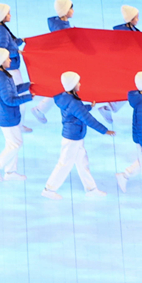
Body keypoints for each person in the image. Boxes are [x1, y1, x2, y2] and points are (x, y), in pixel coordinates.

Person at [41, 71, 115, 199]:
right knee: (64, 164)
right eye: (77, 82)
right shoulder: (74, 102)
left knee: (82, 163)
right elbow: (87, 119)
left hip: (76, 137)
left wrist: (88, 107)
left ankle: (91, 189)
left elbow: (77, 111)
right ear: (72, 85)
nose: (80, 84)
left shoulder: (67, 98)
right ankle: (49, 189)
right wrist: (105, 130)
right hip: (72, 138)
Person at [0, 47, 33, 182]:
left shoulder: (3, 74)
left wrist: (28, 86)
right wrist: (29, 97)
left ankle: (11, 172)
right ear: (1, 61)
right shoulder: (3, 78)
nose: (10, 60)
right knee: (15, 144)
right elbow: (9, 100)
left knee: (15, 143)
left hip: (8, 115)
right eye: (7, 58)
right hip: (7, 116)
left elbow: (12, 91)